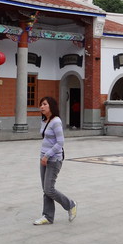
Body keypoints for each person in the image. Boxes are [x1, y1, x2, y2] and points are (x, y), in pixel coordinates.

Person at [33, 96, 77, 225]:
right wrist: (43, 156)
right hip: (44, 158)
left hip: (54, 159)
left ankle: (70, 204)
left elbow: (60, 142)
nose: (41, 107)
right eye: (41, 104)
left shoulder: (56, 121)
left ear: (51, 106)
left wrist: (47, 155)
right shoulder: (44, 120)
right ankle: (48, 216)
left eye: (44, 104)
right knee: (46, 189)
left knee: (49, 189)